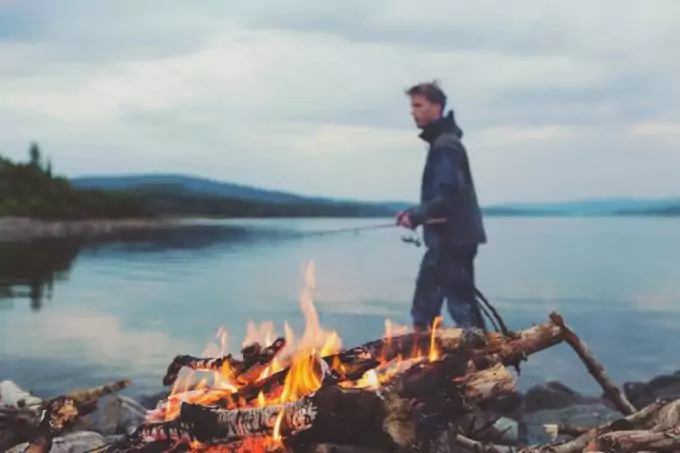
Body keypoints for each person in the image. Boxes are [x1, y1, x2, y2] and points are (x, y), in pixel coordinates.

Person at [396, 81, 488, 332]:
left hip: (452, 242)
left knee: (453, 309)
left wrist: (414, 217)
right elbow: (442, 198)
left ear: (437, 107)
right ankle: (441, 362)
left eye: (418, 105)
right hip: (452, 240)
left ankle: (485, 360)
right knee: (433, 308)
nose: (413, 111)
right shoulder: (444, 142)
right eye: (412, 106)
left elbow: (446, 197)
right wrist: (414, 213)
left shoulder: (446, 145)